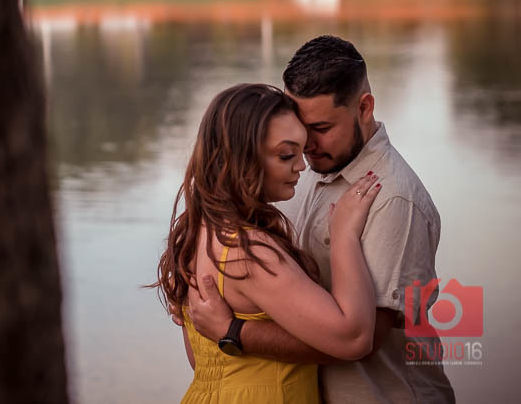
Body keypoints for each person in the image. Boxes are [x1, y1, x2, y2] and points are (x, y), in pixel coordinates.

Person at [180, 36, 455, 403]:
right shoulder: (299, 174)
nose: (306, 149)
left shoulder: (392, 198)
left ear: (364, 107)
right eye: (298, 132)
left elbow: (361, 341)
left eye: (321, 129)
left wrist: (232, 332)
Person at [154, 82, 383, 403]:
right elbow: (354, 338)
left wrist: (232, 332)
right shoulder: (248, 251)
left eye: (301, 151)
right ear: (241, 157)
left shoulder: (195, 232)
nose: (301, 165)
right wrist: (344, 236)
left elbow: (203, 360)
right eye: (286, 154)